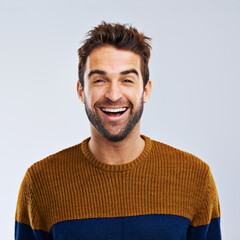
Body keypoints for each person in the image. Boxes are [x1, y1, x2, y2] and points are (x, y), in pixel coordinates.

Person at [15, 22, 221, 240]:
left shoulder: (196, 178)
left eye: (127, 80)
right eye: (100, 80)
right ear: (81, 91)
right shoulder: (39, 183)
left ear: (146, 90)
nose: (113, 95)